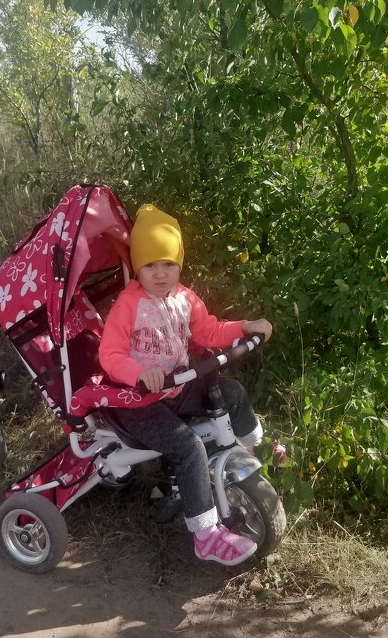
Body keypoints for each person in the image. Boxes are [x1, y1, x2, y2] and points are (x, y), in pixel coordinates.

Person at [98, 204, 273, 566]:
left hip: (175, 389)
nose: (160, 274)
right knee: (189, 446)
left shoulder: (184, 297)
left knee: (232, 392)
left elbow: (209, 329)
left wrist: (243, 327)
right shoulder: (128, 306)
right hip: (136, 401)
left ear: (179, 263)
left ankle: (253, 457)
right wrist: (137, 374)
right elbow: (110, 354)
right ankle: (206, 535)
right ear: (137, 267)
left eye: (168, 264)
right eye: (150, 265)